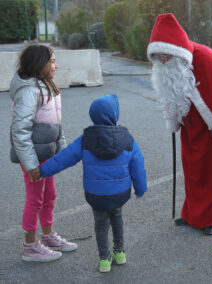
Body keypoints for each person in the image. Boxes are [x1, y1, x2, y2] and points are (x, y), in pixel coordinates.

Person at [147, 13, 212, 234]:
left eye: (166, 56)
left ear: (176, 50)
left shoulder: (207, 60)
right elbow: (168, 94)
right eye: (158, 56)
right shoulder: (166, 66)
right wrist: (173, 120)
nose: (162, 61)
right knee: (193, 173)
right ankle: (192, 215)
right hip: (190, 128)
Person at [39, 94, 147, 272]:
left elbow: (63, 159)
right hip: (119, 193)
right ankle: (120, 253)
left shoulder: (85, 139)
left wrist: (43, 171)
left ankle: (104, 259)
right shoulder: (127, 139)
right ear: (114, 114)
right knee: (117, 218)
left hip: (95, 194)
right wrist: (140, 189)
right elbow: (138, 165)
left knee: (101, 224)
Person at [10, 44, 77, 262]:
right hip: (33, 157)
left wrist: (62, 154)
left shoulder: (47, 86)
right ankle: (30, 246)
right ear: (40, 64)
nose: (56, 66)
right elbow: (20, 132)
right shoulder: (30, 91)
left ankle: (47, 237)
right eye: (53, 61)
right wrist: (31, 165)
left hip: (46, 154)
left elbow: (56, 125)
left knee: (50, 196)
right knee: (35, 199)